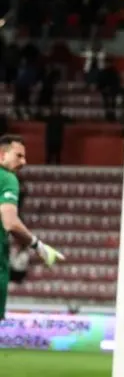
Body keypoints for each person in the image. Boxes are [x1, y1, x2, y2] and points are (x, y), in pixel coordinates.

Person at [0, 134, 65, 320]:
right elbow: (10, 222)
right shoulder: (7, 178)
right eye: (18, 156)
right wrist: (38, 246)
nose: (24, 162)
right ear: (2, 155)